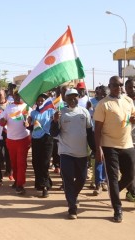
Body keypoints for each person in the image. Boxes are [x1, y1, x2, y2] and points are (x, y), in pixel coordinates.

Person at [94, 76, 135, 223]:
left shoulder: (128, 101)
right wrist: (98, 149)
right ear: (110, 86)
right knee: (112, 178)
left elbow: (132, 118)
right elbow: (97, 129)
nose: (119, 88)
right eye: (115, 85)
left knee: (130, 176)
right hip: (109, 145)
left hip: (127, 144)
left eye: (120, 85)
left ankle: (114, 192)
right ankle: (118, 209)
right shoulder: (103, 104)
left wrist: (133, 120)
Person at [50, 88, 95, 220]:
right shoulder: (60, 113)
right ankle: (72, 207)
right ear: (66, 99)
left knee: (82, 178)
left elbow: (90, 133)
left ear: (78, 98)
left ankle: (72, 196)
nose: (73, 99)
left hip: (81, 153)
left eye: (75, 97)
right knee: (68, 179)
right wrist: (54, 121)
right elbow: (53, 133)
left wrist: (95, 150)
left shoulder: (84, 112)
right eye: (70, 97)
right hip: (66, 153)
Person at [0, 91, 31, 194]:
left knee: (21, 163)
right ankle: (17, 180)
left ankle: (20, 185)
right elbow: (3, 120)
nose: (18, 97)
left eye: (20, 95)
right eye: (16, 95)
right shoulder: (9, 107)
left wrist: (28, 122)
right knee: (14, 163)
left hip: (23, 139)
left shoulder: (27, 107)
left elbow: (31, 119)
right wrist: (2, 122)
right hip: (11, 140)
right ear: (13, 96)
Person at [27, 94, 55, 198]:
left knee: (45, 162)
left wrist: (56, 117)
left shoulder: (51, 111)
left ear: (46, 101)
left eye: (42, 100)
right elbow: (31, 127)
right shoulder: (33, 113)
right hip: (36, 139)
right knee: (36, 162)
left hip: (47, 138)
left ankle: (45, 187)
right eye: (38, 100)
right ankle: (43, 182)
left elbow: (55, 123)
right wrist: (29, 122)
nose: (39, 102)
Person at [89, 86, 108, 195]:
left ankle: (105, 181)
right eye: (100, 94)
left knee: (107, 159)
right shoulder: (93, 104)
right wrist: (90, 109)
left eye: (104, 95)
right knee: (98, 158)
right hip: (96, 134)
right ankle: (98, 184)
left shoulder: (111, 104)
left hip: (109, 135)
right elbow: (91, 118)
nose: (102, 96)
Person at [0, 89, 12, 187]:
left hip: (9, 133)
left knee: (9, 155)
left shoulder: (10, 106)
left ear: (5, 95)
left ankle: (9, 172)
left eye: (0, 95)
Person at [124, 78, 135, 202]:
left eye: (134, 87)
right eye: (130, 87)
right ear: (126, 89)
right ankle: (131, 191)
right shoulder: (123, 101)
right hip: (127, 140)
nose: (133, 89)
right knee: (130, 169)